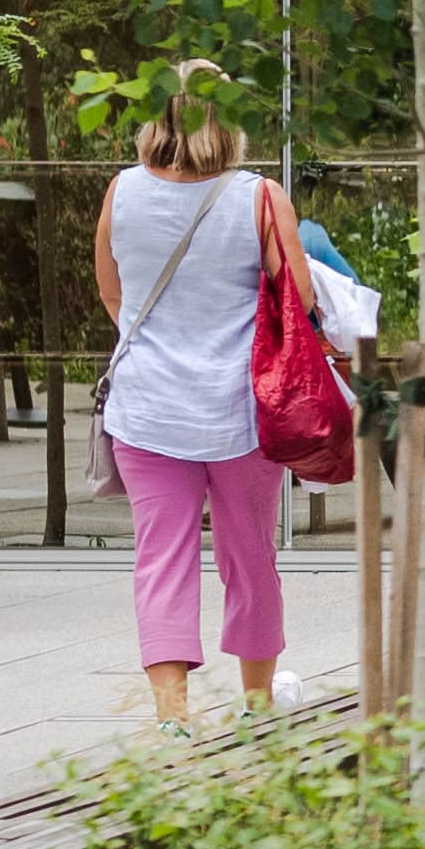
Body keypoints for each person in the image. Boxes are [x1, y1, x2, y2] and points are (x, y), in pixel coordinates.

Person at [98, 58, 314, 721]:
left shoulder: (121, 192)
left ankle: (173, 719)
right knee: (251, 557)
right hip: (240, 412)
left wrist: (166, 345)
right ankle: (255, 706)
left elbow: (115, 293)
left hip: (147, 410)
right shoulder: (259, 198)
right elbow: (297, 302)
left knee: (161, 560)